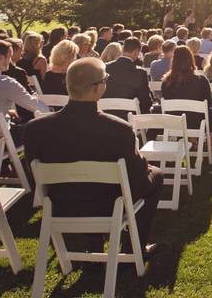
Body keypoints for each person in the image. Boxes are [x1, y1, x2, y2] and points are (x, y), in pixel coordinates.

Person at [25, 57, 162, 257]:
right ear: (98, 88)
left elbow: (33, 173)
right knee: (156, 175)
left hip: (61, 204)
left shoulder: (34, 129)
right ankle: (134, 248)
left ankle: (94, 244)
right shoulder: (119, 128)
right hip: (109, 205)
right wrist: (146, 167)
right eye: (105, 79)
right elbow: (137, 177)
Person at [162, 46, 212, 151]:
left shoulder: (166, 81)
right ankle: (211, 145)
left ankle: (192, 142)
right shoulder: (201, 80)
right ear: (191, 59)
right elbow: (208, 103)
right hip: (197, 121)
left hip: (175, 121)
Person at [103, 38, 153, 116]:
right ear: (136, 52)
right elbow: (145, 101)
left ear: (123, 49)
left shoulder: (105, 67)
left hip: (106, 114)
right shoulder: (140, 72)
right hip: (130, 117)